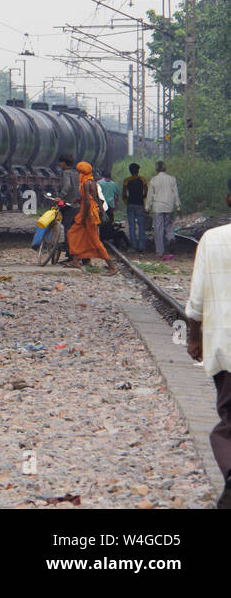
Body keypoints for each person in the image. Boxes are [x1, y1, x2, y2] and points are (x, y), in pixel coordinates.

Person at [184, 205, 231, 509]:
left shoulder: (211, 240)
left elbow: (196, 302)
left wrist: (193, 338)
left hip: (225, 349)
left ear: (228, 199)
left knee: (228, 421)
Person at [67, 161, 118, 274]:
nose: (79, 174)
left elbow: (88, 202)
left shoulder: (85, 183)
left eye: (80, 172)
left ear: (83, 173)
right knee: (76, 235)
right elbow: (96, 198)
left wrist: (84, 218)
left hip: (87, 215)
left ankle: (111, 266)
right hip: (91, 214)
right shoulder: (92, 182)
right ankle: (75, 260)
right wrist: (101, 211)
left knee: (94, 240)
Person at [146, 159, 181, 260]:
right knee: (169, 226)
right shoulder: (172, 179)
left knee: (158, 229)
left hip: (158, 207)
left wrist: (147, 207)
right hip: (169, 207)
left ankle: (160, 251)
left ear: (156, 169)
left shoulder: (153, 180)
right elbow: (176, 193)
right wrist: (178, 206)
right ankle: (171, 239)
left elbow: (150, 195)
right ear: (165, 168)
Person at [57, 154, 79, 263]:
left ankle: (70, 254)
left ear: (64, 163)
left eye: (61, 163)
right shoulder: (76, 173)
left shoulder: (66, 173)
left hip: (69, 205)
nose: (60, 165)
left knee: (68, 230)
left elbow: (67, 186)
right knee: (75, 231)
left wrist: (60, 197)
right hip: (77, 205)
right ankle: (77, 255)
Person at [122, 162, 148, 252]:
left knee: (132, 226)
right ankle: (142, 246)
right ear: (138, 171)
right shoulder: (143, 180)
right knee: (141, 225)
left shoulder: (127, 180)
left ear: (130, 171)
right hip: (140, 204)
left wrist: (127, 202)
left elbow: (124, 194)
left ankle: (133, 245)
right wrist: (143, 198)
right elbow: (146, 192)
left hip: (130, 204)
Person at [98, 171, 121, 244]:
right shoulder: (113, 184)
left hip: (102, 205)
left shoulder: (100, 183)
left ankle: (102, 237)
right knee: (110, 221)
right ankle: (109, 236)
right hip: (111, 205)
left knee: (102, 221)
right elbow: (117, 194)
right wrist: (116, 205)